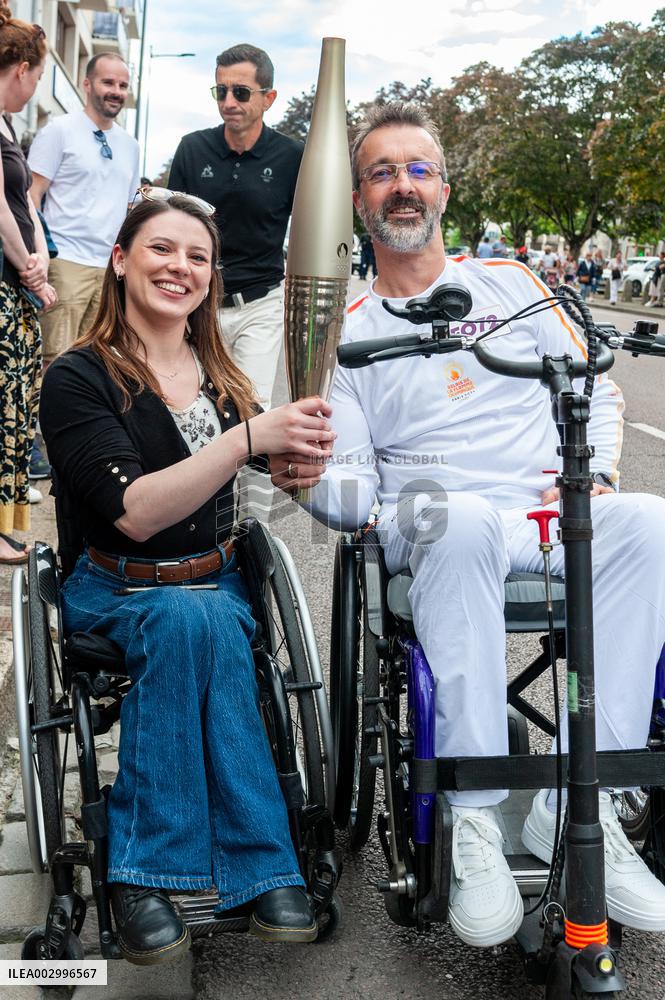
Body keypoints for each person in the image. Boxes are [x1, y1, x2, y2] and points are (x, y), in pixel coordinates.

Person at [297, 100, 665, 949]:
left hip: (544, 507)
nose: (401, 185)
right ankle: (469, 822)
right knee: (456, 519)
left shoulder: (514, 285)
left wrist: (598, 477)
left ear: (444, 190)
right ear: (358, 200)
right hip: (434, 517)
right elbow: (347, 484)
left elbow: (598, 392)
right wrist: (324, 490)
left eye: (417, 169)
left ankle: (587, 807)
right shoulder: (346, 334)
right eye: (382, 172)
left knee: (649, 522)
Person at [39, 193, 335, 965]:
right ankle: (241, 868)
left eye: (197, 256)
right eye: (162, 250)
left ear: (212, 276)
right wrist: (246, 440)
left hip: (215, 584)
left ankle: (153, 875)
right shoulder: (79, 377)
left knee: (198, 617)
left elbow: (278, 469)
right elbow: (133, 511)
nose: (181, 267)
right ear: (120, 259)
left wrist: (303, 455)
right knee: (184, 620)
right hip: (114, 586)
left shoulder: (220, 373)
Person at [169, 43, 303, 412]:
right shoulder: (192, 149)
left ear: (268, 98)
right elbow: (170, 226)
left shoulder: (292, 157)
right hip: (197, 302)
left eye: (241, 92)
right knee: (193, 407)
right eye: (221, 91)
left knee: (249, 409)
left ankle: (251, 472)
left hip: (260, 306)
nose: (229, 101)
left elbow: (307, 230)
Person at [28, 52, 139, 363]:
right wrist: (40, 253)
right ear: (87, 84)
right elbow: (31, 194)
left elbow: (130, 209)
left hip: (108, 271)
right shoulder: (59, 130)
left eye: (123, 84)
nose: (116, 91)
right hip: (65, 263)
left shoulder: (130, 146)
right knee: (53, 358)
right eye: (108, 82)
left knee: (95, 361)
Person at [0, 4, 56, 564]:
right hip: (3, 282)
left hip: (14, 283)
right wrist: (27, 266)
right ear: (20, 68)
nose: (35, 88)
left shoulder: (7, 123)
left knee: (13, 401)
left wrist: (37, 254)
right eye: (37, 78)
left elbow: (25, 206)